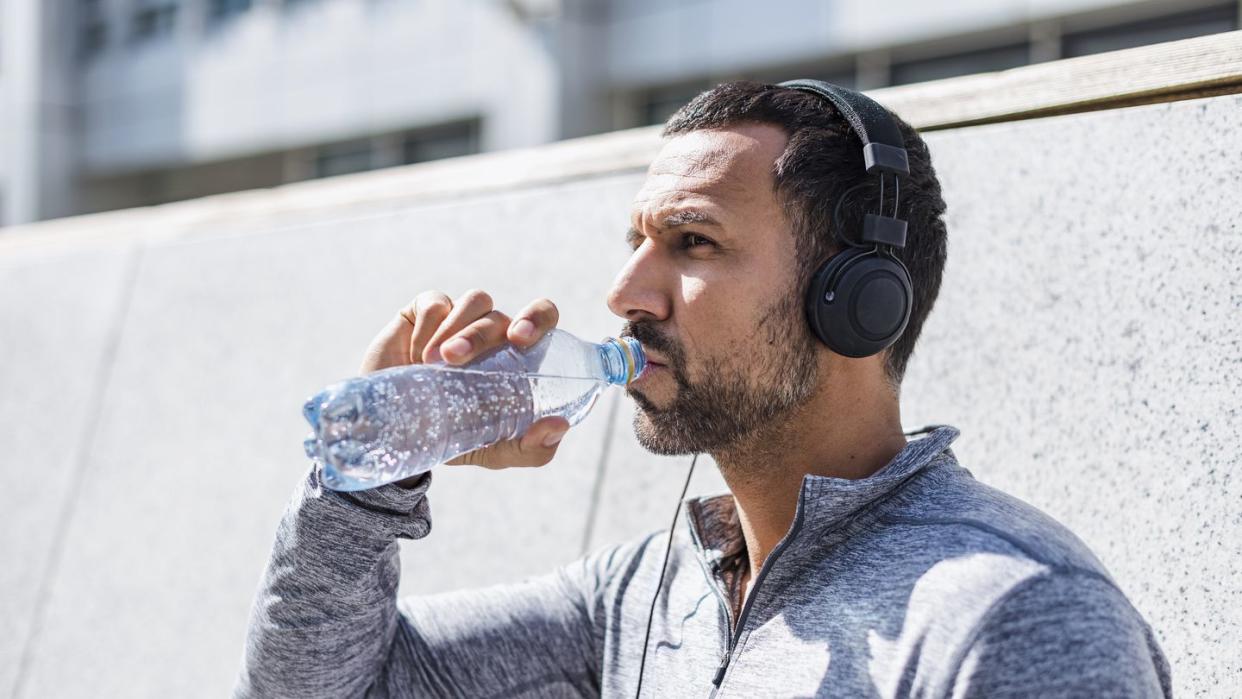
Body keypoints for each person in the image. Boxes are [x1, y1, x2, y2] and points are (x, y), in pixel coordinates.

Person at [234, 81, 1170, 698]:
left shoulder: (1015, 614)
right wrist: (367, 478)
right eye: (637, 242)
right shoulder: (644, 592)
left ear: (855, 300)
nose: (624, 294)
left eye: (693, 244)